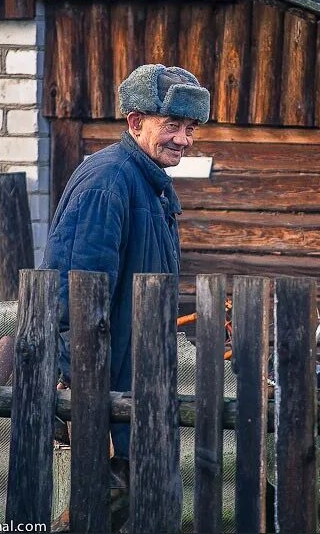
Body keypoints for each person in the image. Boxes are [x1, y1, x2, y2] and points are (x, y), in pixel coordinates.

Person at [40, 63, 210, 458]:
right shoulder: (109, 183)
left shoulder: (149, 184)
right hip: (105, 395)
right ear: (136, 122)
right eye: (172, 125)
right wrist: (84, 400)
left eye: (191, 129)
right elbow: (76, 300)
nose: (184, 140)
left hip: (135, 390)